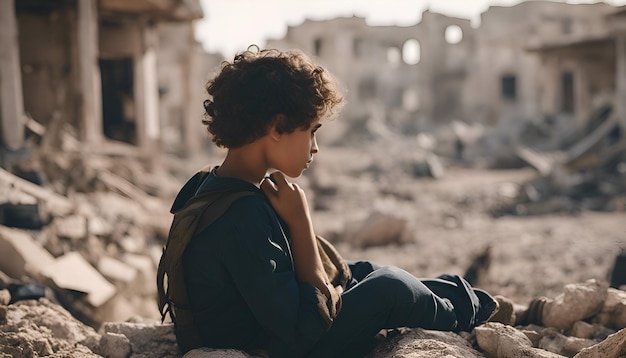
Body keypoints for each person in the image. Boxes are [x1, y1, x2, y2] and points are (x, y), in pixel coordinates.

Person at [157, 45, 499, 358]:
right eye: (312, 131)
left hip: (270, 325)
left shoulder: (212, 183)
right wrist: (300, 221)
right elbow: (302, 329)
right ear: (277, 127)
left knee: (360, 271)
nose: (315, 147)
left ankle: (469, 297)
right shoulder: (242, 215)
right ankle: (471, 313)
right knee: (390, 287)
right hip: (278, 347)